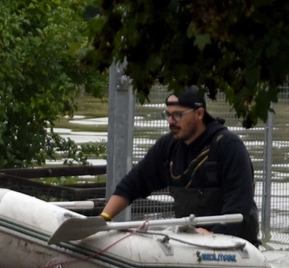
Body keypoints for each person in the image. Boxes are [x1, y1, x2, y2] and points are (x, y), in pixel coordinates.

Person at [98, 87, 260, 243]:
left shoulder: (228, 146)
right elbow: (131, 184)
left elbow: (239, 203)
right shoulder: (167, 146)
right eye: (167, 115)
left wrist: (215, 234)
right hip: (188, 241)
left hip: (234, 242)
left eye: (177, 115)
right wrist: (103, 219)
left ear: (199, 113)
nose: (171, 121)